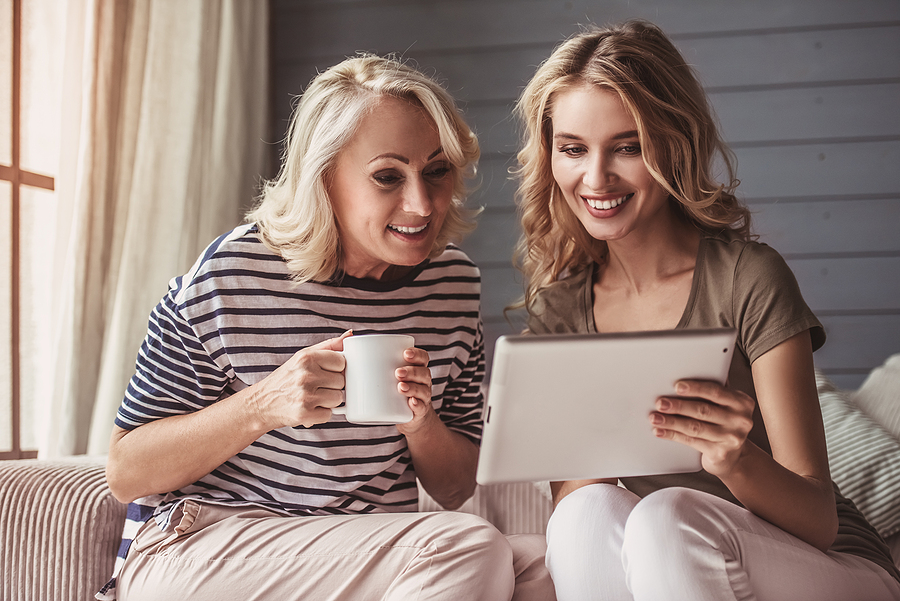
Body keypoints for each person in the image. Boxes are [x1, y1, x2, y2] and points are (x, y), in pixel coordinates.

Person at [97, 54, 553, 601]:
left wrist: (421, 422)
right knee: (467, 546)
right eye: (388, 176)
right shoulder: (232, 273)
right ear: (325, 178)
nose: (421, 202)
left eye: (436, 171)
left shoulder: (450, 284)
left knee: (555, 564)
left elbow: (454, 489)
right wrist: (262, 405)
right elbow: (126, 471)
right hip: (198, 545)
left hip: (361, 548)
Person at [512, 20, 900, 601]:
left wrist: (736, 459)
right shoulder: (559, 312)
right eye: (572, 149)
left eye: (627, 147)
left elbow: (819, 520)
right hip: (679, 566)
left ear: (673, 143)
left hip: (829, 565)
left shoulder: (748, 277)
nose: (595, 178)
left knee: (668, 516)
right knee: (582, 512)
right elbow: (584, 528)